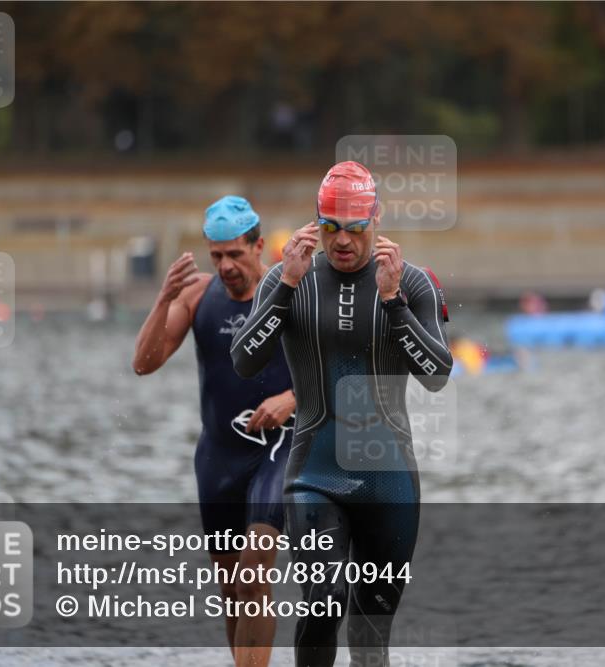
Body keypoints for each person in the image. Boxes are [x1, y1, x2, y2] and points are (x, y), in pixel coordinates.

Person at [231, 161, 453, 666]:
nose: (343, 241)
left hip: (390, 479)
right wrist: (286, 285)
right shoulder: (288, 278)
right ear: (316, 223)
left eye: (356, 228)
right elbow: (244, 362)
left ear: (376, 220)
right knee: (323, 604)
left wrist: (393, 302)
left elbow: (438, 375)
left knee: (371, 633)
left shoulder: (412, 282)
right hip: (315, 473)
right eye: (331, 228)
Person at [134, 195, 295, 667]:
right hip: (218, 459)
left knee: (253, 572)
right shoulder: (198, 295)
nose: (225, 266)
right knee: (231, 590)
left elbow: (338, 367)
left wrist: (293, 399)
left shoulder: (289, 293)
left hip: (278, 450)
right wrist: (163, 299)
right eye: (216, 255)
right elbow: (144, 364)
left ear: (258, 245)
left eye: (235, 254)